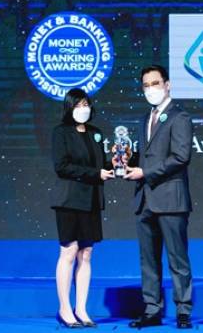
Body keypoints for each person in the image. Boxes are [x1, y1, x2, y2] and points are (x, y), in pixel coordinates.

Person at [121, 65, 194, 329]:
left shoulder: (180, 117)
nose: (150, 89)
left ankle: (183, 310)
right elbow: (147, 156)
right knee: (148, 260)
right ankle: (152, 309)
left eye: (155, 83)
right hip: (145, 199)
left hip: (171, 199)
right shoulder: (144, 119)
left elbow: (180, 157)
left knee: (177, 259)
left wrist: (145, 172)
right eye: (146, 85)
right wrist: (127, 162)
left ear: (167, 84)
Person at [51, 88, 115, 328]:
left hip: (91, 201)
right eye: (77, 105)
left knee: (86, 253)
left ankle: (81, 309)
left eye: (85, 104)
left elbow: (100, 164)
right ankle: (65, 308)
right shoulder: (61, 133)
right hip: (69, 200)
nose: (82, 109)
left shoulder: (95, 133)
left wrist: (115, 163)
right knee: (69, 251)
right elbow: (62, 167)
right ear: (69, 108)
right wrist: (96, 173)